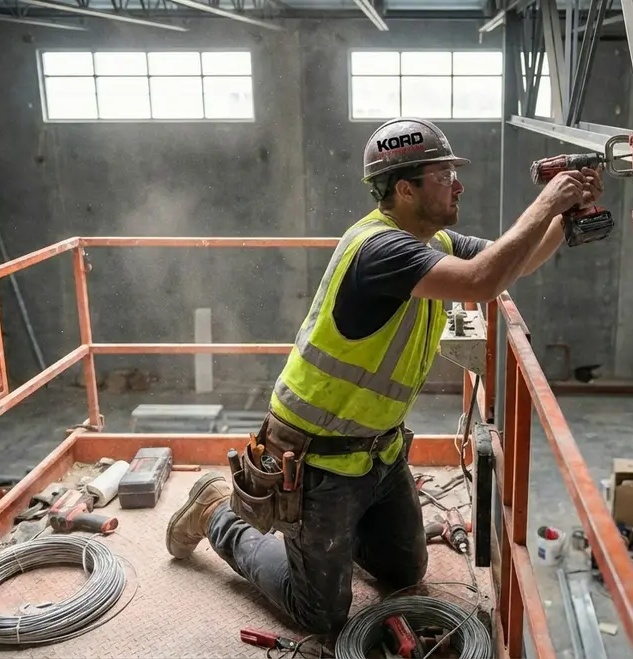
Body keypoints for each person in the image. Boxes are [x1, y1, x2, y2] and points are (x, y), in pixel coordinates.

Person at [164, 117, 602, 634]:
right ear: (404, 188)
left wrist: (565, 220)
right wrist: (549, 201)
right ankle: (219, 511)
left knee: (403, 571)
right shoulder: (382, 250)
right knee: (321, 616)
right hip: (316, 456)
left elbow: (511, 262)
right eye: (444, 175)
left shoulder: (432, 239)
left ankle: (323, 540)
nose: (458, 184)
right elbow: (484, 282)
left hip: (378, 451)